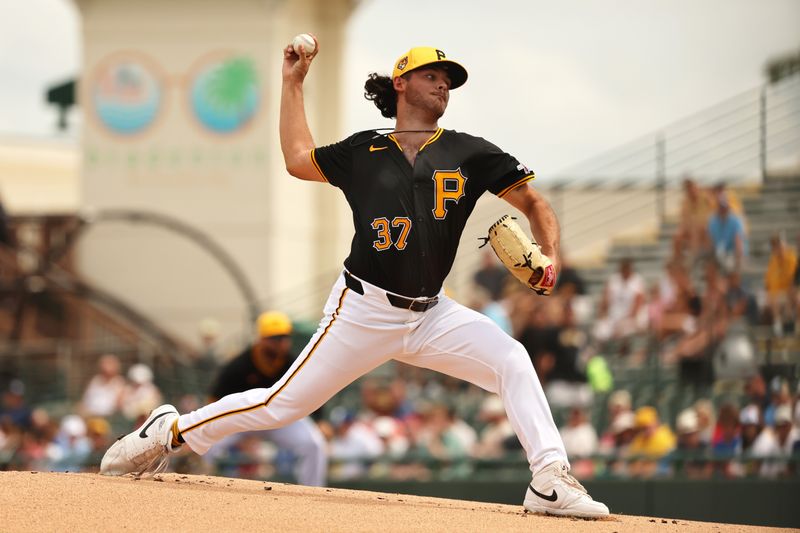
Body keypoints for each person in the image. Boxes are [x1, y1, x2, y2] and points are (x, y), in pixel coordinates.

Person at [100, 41, 608, 518]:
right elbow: (299, 160)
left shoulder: (469, 152)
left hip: (432, 312)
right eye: (431, 76)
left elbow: (534, 202)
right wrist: (293, 83)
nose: (443, 86)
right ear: (401, 85)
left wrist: (551, 253)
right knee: (282, 404)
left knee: (511, 359)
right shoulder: (364, 151)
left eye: (448, 80)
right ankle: (170, 431)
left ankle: (549, 479)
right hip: (363, 309)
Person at [202, 311, 327, 487]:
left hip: (279, 420)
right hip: (242, 421)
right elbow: (213, 400)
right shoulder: (239, 365)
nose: (281, 343)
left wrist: (320, 420)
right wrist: (220, 428)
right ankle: (194, 485)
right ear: (261, 339)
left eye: (284, 337)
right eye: (275, 338)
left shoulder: (293, 362)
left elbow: (312, 391)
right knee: (205, 442)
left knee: (314, 444)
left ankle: (314, 491)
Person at [764, 233, 797, 336]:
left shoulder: (792, 259)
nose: (777, 248)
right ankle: (777, 326)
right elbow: (768, 281)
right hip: (776, 294)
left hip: (789, 293)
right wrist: (768, 294)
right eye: (775, 246)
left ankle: (786, 327)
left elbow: (793, 281)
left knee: (777, 299)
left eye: (779, 245)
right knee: (769, 299)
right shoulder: (773, 261)